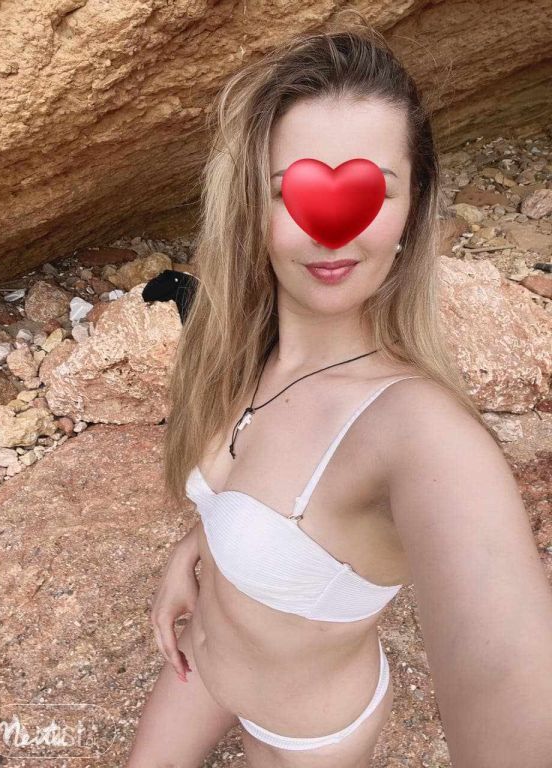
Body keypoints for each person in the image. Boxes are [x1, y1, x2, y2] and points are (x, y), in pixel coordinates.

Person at [126, 12, 552, 768]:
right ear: (251, 208)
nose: (331, 228)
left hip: (302, 734)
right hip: (199, 664)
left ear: (413, 208)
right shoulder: (240, 350)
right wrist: (191, 554)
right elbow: (241, 494)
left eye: (373, 193)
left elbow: (511, 685)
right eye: (290, 192)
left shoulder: (420, 434)